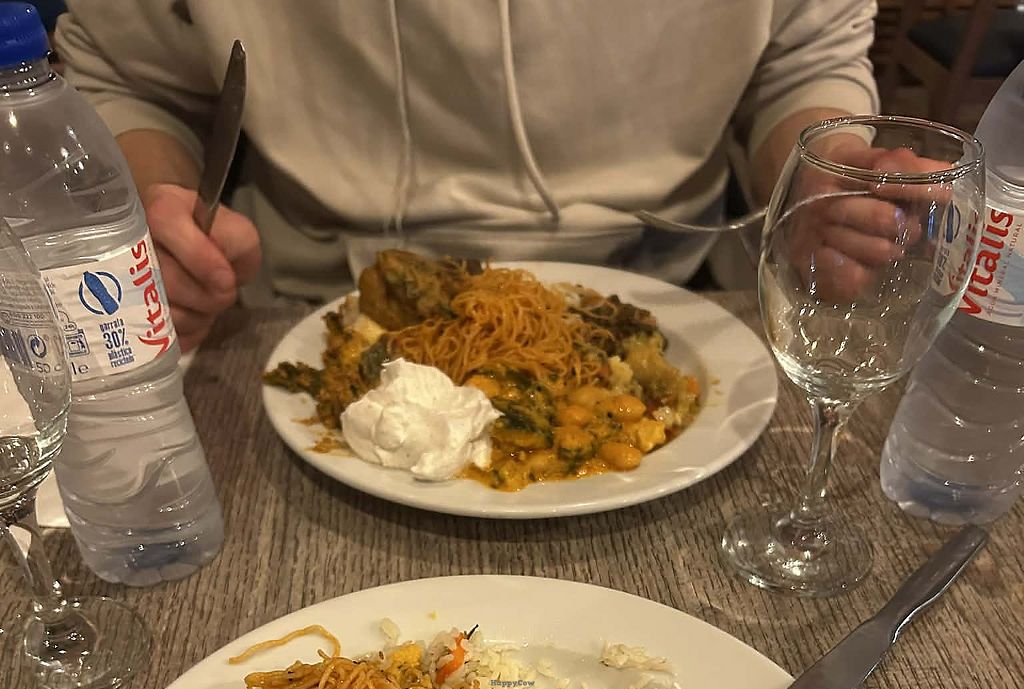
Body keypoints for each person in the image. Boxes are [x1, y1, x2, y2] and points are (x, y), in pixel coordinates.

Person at [56, 0, 883, 351]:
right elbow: (131, 79)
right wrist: (157, 205)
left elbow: (803, 55)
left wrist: (829, 169)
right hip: (294, 307)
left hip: (680, 296)